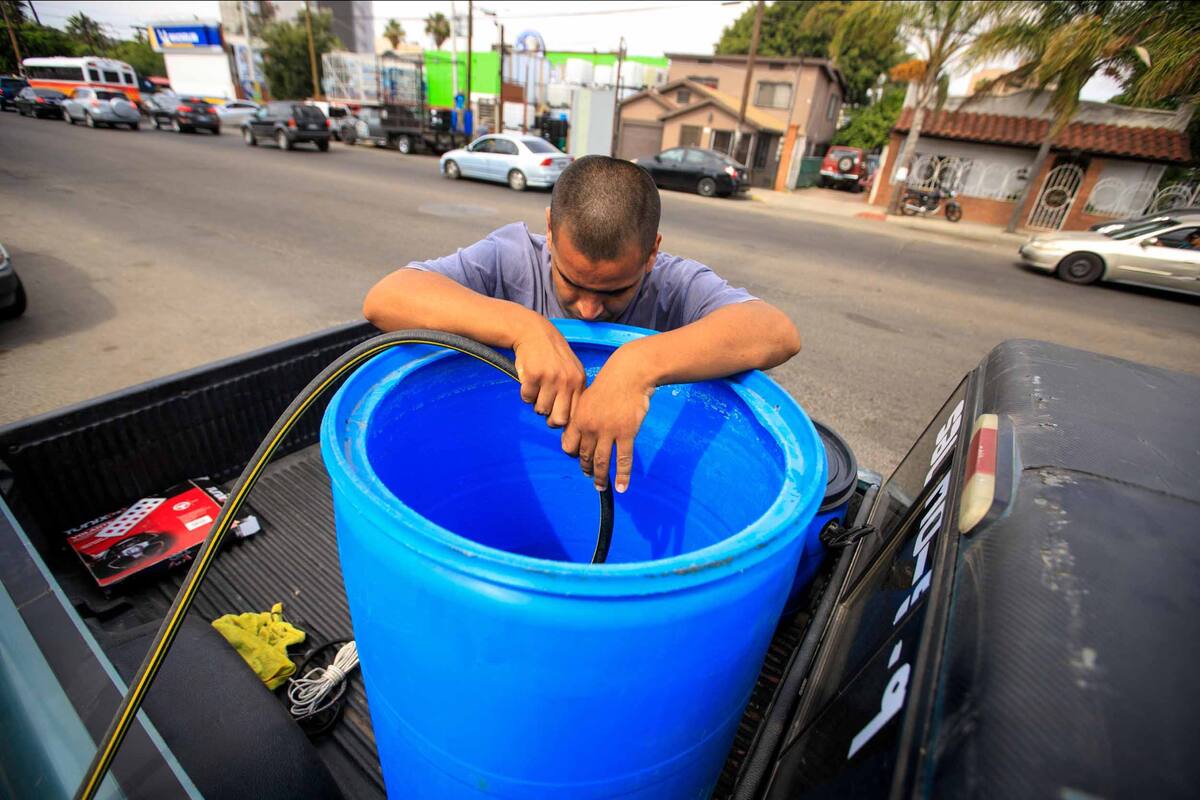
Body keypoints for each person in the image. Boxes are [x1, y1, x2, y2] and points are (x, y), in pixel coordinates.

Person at [363, 155, 800, 494]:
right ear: (550, 231)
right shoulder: (511, 258)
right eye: (571, 282)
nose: (589, 310)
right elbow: (387, 297)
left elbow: (775, 331)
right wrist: (524, 326)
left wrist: (637, 366)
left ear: (651, 253)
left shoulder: (673, 282)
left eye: (615, 291)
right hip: (508, 468)